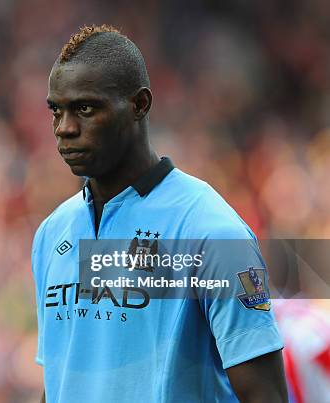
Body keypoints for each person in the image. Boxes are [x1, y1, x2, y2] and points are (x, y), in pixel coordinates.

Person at [32, 24, 288, 402]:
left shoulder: (211, 231)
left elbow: (264, 394)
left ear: (140, 104)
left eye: (85, 108)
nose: (65, 129)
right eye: (57, 110)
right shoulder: (52, 234)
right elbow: (61, 380)